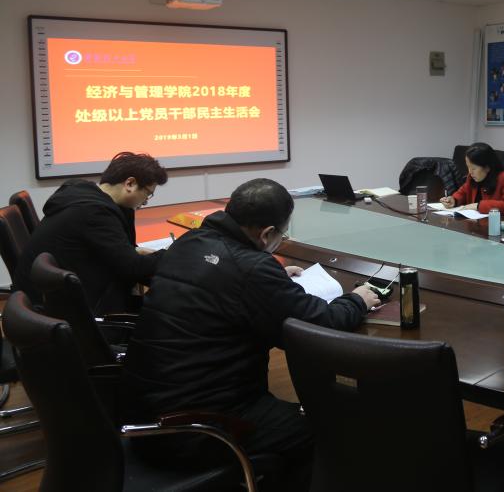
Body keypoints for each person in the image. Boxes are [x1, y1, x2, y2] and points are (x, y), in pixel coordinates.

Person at [123, 178, 379, 491]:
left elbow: (221, 278)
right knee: (328, 427)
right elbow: (319, 324)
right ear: (267, 233)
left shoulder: (190, 241)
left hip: (142, 412)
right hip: (195, 427)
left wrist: (273, 281)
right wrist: (357, 300)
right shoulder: (252, 269)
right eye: (282, 234)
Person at [15, 151, 168, 314]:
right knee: (164, 309)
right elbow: (132, 267)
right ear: (130, 184)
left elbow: (115, 251)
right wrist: (175, 254)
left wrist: (135, 251)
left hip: (50, 295)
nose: (145, 201)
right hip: (68, 309)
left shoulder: (81, 193)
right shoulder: (95, 212)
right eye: (148, 194)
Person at [439, 142, 504, 218]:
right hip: (475, 223)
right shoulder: (472, 177)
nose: (470, 172)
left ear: (487, 167)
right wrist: (453, 200)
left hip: (499, 224)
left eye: (474, 168)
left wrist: (478, 206)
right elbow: (463, 193)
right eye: (468, 167)